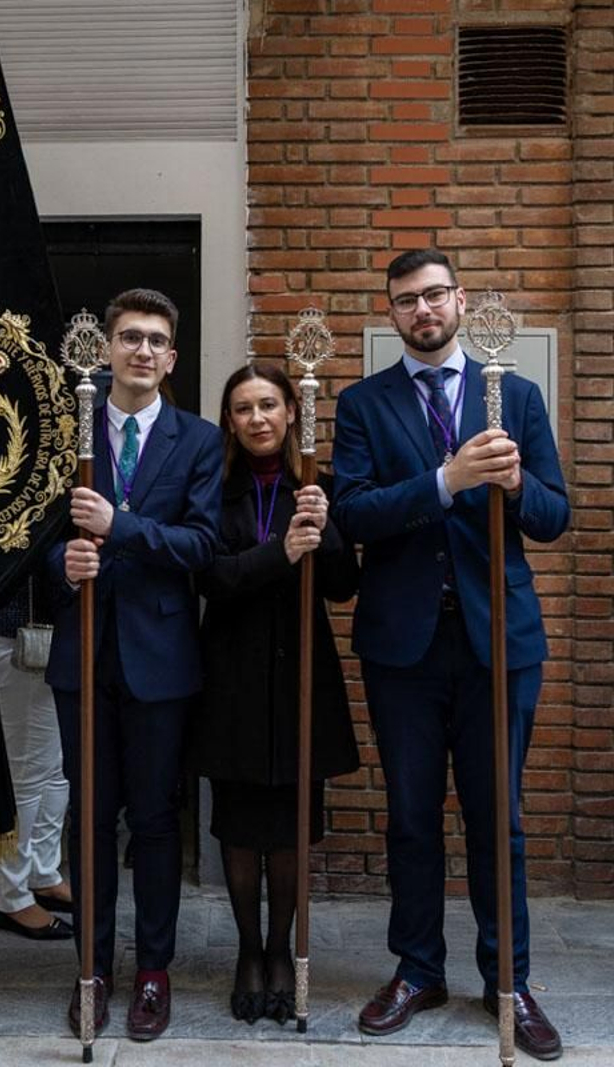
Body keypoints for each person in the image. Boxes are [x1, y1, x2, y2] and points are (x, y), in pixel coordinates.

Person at [332, 249, 569, 1061]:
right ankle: (417, 968)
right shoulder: (363, 403)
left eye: (436, 295)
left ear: (461, 299)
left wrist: (506, 486)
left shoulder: (518, 396)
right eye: (407, 301)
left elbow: (554, 515)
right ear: (391, 315)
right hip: (403, 646)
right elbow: (355, 515)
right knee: (409, 816)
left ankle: (510, 979)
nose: (424, 310)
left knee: (496, 816)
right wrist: (446, 477)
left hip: (497, 639)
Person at [47, 288, 222, 1040]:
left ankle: (154, 971)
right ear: (106, 349)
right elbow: (30, 539)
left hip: (160, 657)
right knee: (88, 819)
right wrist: (63, 560)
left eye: (155, 339)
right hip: (81, 654)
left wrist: (122, 526)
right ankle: (92, 969)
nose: (142, 350)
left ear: (172, 356)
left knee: (154, 821)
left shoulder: (198, 440)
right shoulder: (65, 431)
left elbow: (202, 546)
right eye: (129, 337)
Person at [189, 364, 360, 1023]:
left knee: (289, 826)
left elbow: (343, 584)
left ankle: (282, 950)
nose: (257, 418)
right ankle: (247, 949)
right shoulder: (215, 486)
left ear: (292, 411)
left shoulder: (319, 483)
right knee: (237, 825)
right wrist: (282, 553)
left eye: (268, 404)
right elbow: (212, 577)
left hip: (299, 673)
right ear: (229, 421)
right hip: (229, 673)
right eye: (242, 408)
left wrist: (329, 527)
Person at [0, 577, 72, 940]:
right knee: (27, 773)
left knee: (57, 768)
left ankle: (42, 874)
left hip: (60, 633)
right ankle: (10, 896)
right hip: (19, 636)